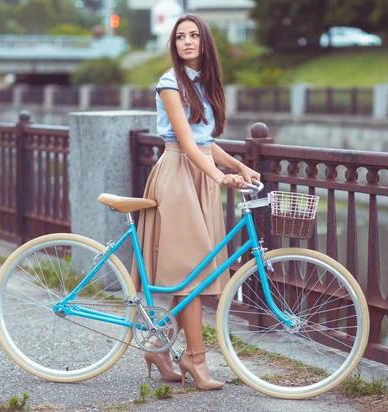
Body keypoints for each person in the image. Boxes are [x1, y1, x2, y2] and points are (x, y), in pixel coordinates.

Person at [130, 14, 261, 390]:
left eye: (193, 36)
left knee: (195, 270)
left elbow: (204, 140)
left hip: (199, 176)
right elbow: (186, 143)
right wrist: (219, 176)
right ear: (174, 45)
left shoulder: (203, 83)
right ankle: (196, 360)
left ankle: (158, 346)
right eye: (180, 37)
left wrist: (238, 165)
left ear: (204, 41)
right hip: (178, 176)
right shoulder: (170, 83)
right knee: (193, 274)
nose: (187, 42)